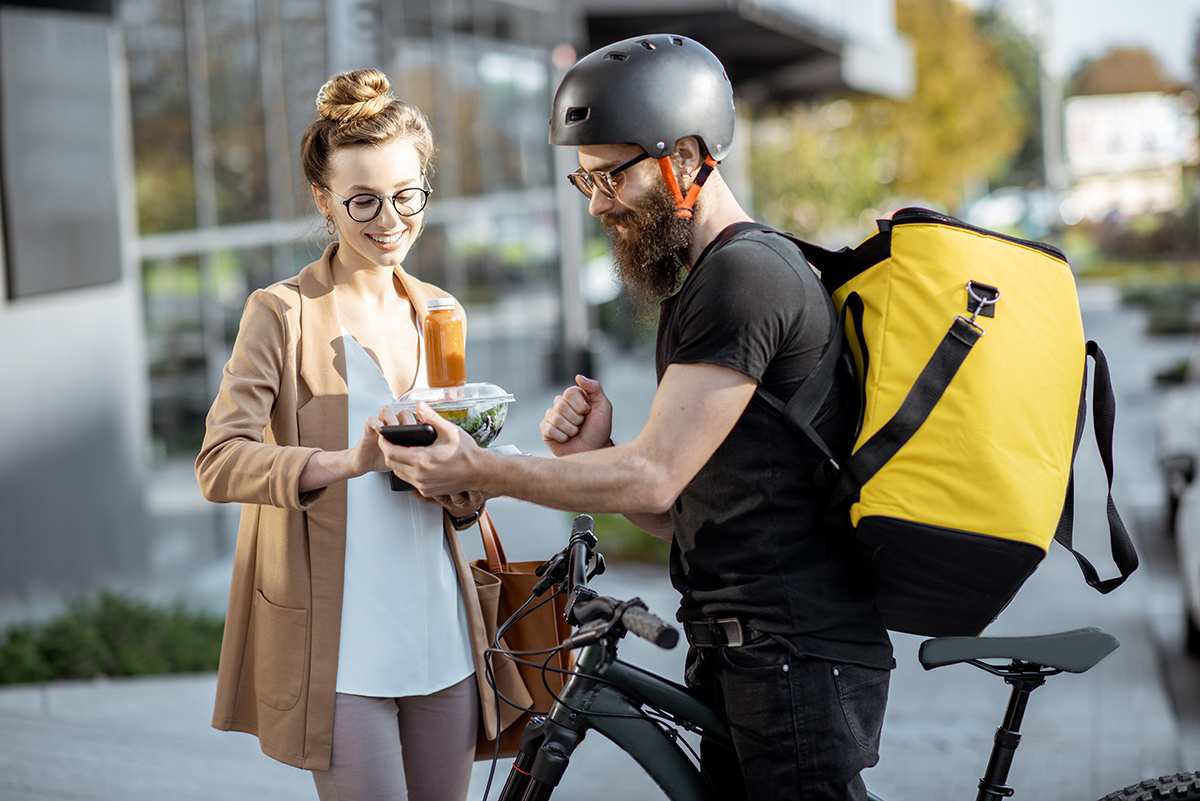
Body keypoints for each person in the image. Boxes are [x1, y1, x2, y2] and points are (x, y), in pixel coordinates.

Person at [379, 34, 893, 800]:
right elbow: (685, 509)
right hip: (743, 648)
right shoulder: (707, 281)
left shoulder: (744, 278)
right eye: (582, 179)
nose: (596, 203)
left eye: (611, 175)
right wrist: (599, 454)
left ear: (686, 157)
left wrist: (482, 468)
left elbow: (653, 481)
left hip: (792, 652)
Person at [195, 68, 526, 801]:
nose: (390, 220)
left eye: (408, 195)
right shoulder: (280, 314)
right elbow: (218, 462)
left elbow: (458, 498)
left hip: (443, 634)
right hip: (339, 648)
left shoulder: (439, 309)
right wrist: (351, 459)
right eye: (364, 200)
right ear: (323, 199)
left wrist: (471, 476)